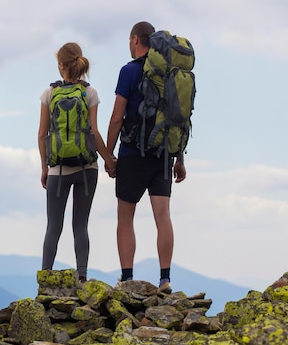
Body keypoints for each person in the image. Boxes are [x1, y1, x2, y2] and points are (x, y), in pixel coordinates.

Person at [106, 21, 186, 293]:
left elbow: (117, 117)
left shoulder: (128, 72)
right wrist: (180, 158)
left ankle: (127, 279)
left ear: (135, 40)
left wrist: (108, 154)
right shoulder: (170, 74)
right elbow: (179, 118)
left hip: (132, 153)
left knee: (125, 216)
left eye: (130, 41)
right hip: (164, 154)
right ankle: (165, 278)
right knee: (163, 215)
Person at [38, 42, 116, 282]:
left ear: (60, 65)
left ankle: (46, 279)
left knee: (53, 227)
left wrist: (44, 167)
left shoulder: (49, 93)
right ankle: (82, 278)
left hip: (57, 170)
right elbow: (93, 132)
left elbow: (42, 134)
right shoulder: (89, 93)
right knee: (80, 226)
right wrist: (109, 160)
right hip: (86, 169)